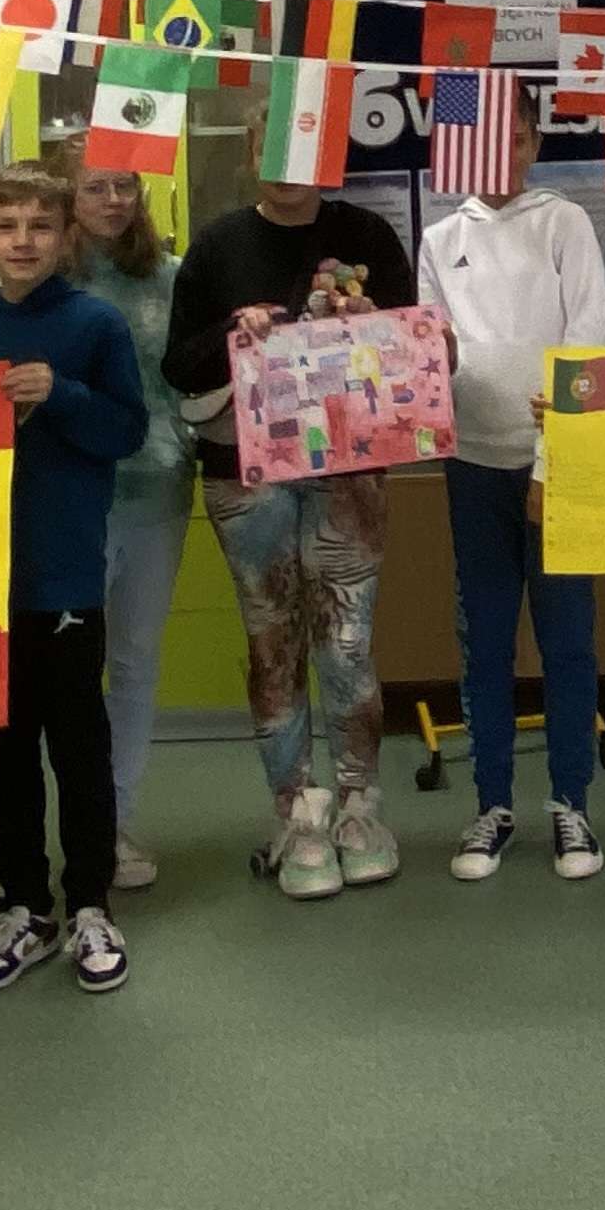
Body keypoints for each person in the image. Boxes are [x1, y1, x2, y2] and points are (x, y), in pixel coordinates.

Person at [163, 151, 418, 898]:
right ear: (250, 154)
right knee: (272, 642)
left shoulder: (367, 234)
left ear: (327, 155)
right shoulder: (217, 246)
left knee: (347, 640)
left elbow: (413, 349)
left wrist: (373, 325)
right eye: (268, 149)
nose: (285, 167)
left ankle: (360, 810)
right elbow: (180, 366)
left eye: (302, 148)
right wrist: (233, 333)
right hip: (246, 473)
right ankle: (299, 815)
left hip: (349, 465)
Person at [0, 168, 152, 996]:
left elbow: (126, 430)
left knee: (79, 746)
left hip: (65, 575)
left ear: (66, 237)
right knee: (3, 754)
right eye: (7, 226)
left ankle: (90, 902)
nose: (22, 241)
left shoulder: (94, 323)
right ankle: (25, 906)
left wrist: (60, 393)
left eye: (39, 226)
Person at [417, 85, 605, 882]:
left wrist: (551, 462)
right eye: (485, 137)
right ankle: (492, 804)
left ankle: (572, 802)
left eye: (517, 136)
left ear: (534, 142)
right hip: (471, 468)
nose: (502, 153)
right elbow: (431, 355)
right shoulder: (440, 238)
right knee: (487, 642)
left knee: (567, 641)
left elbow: (590, 346)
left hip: (555, 469)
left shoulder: (565, 223)